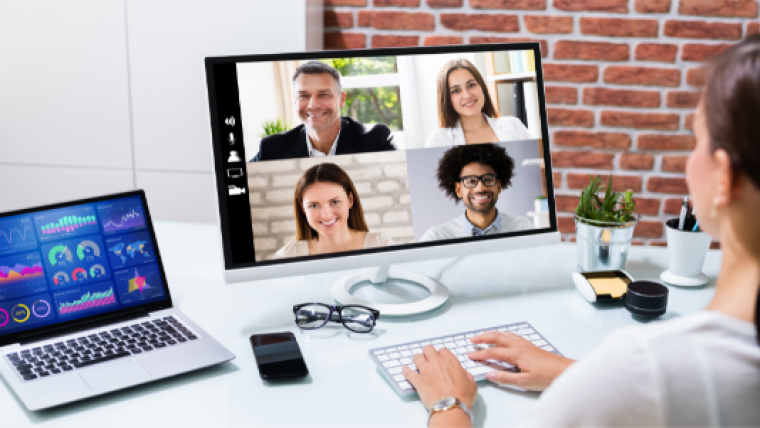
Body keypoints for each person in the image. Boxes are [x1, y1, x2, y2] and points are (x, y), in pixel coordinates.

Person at [404, 34, 760, 427]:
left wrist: (448, 404)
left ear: (724, 177)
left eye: (697, 142)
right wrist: (576, 372)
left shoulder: (651, 364)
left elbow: (653, 378)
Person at [251, 61, 396, 161]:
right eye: (303, 95)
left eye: (324, 94)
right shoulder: (272, 148)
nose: (313, 105)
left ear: (342, 99)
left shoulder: (375, 140)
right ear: (295, 101)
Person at [273, 163, 393, 259]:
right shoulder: (288, 256)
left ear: (350, 200)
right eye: (314, 205)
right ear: (303, 208)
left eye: (335, 202)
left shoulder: (380, 245)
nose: (326, 215)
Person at [419, 144, 534, 242]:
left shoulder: (523, 228)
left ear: (498, 186)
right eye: (470, 181)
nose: (480, 188)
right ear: (458, 190)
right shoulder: (438, 237)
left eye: (488, 179)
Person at [425, 58, 532, 148]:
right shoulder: (438, 141)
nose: (467, 95)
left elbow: (538, 168)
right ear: (447, 100)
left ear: (482, 87)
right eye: (456, 91)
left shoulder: (513, 126)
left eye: (471, 85)